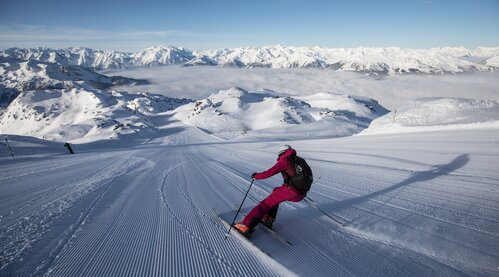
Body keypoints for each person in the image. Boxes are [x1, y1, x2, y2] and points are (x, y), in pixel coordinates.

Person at [233, 145, 308, 237]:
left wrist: (256, 176)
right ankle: (267, 218)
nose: (278, 158)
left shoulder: (285, 160)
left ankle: (245, 226)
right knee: (276, 192)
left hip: (291, 191)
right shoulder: (299, 160)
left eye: (279, 155)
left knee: (265, 204)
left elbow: (269, 173)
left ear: (282, 153)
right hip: (301, 193)